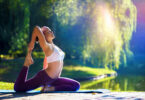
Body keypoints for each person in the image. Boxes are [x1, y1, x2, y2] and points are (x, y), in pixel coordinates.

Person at [14, 26, 80, 92]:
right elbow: (36, 28)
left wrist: (44, 67)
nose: (51, 32)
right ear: (44, 36)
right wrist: (32, 42)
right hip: (44, 78)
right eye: (49, 31)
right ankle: (26, 65)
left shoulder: (54, 46)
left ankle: (50, 88)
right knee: (18, 87)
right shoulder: (46, 46)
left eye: (51, 30)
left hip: (54, 79)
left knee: (76, 85)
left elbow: (48, 60)